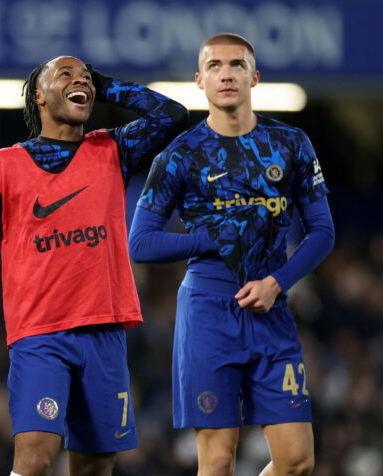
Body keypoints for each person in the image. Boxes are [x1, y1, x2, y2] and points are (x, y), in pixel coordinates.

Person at [0, 56, 188, 475]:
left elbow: (173, 114)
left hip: (104, 331)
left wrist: (107, 86)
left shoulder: (113, 150)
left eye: (86, 77)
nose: (81, 80)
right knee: (35, 458)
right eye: (66, 74)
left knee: (96, 465)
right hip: (40, 335)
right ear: (39, 95)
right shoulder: (1, 167)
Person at [129, 33, 335, 476]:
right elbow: (140, 243)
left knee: (297, 461)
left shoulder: (291, 143)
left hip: (271, 309)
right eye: (215, 66)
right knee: (218, 460)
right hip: (208, 315)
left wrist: (278, 282)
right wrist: (215, 240)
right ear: (199, 80)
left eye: (237, 65)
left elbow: (323, 231)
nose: (226, 74)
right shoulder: (179, 155)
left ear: (254, 77)